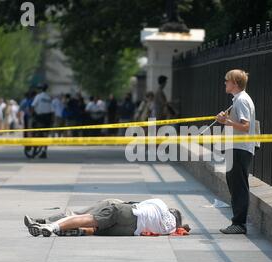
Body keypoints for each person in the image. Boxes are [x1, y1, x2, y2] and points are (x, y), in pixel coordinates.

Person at [216, 69, 256, 235]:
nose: (225, 83)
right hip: (237, 148)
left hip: (240, 148)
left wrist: (227, 121)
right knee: (234, 183)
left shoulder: (241, 100)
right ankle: (237, 222)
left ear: (235, 83)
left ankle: (239, 223)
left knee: (238, 185)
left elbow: (245, 126)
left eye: (227, 80)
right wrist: (225, 120)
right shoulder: (238, 100)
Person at [24, 198, 191, 237]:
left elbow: (135, 204)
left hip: (129, 213)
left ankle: (49, 226)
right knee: (95, 227)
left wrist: (114, 206)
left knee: (88, 217)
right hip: (130, 231)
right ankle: (79, 231)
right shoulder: (169, 229)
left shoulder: (161, 204)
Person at [31, 84, 53, 159]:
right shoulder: (49, 97)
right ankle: (44, 151)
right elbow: (52, 110)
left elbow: (33, 106)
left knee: (36, 133)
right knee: (46, 135)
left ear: (40, 89)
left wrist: (33, 115)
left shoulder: (38, 96)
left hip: (40, 117)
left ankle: (34, 150)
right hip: (48, 117)